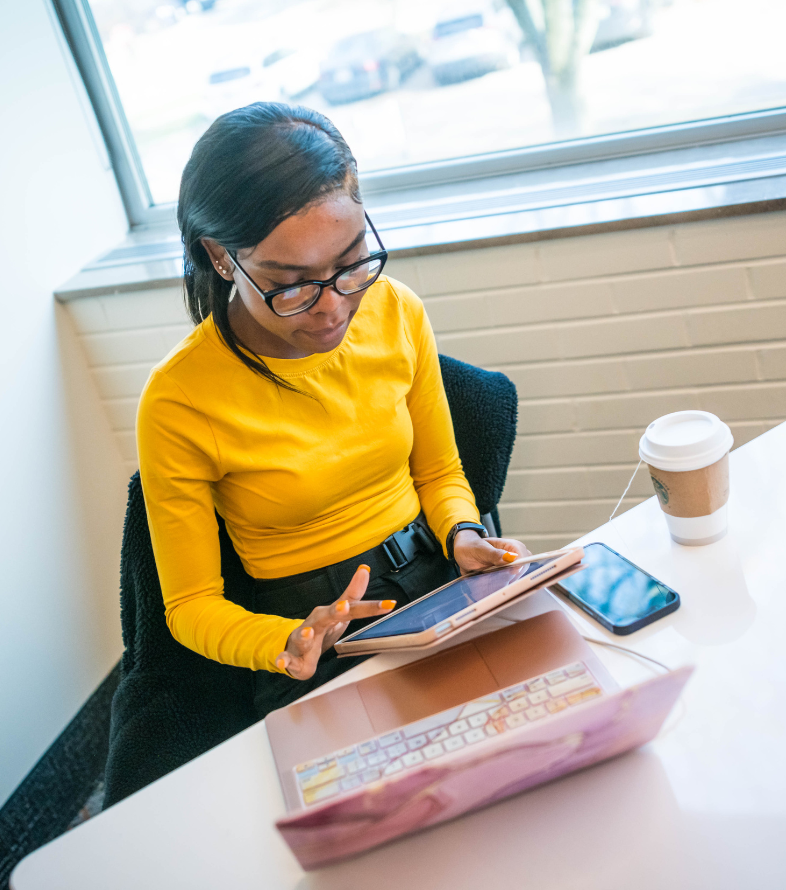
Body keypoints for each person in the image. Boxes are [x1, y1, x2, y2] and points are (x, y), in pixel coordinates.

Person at [137, 102, 530, 719]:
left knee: (538, 715)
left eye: (350, 264)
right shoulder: (180, 399)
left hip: (435, 579)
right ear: (219, 257)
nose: (332, 308)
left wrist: (464, 531)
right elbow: (189, 606)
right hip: (315, 631)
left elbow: (439, 473)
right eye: (290, 284)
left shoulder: (396, 311)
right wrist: (284, 641)